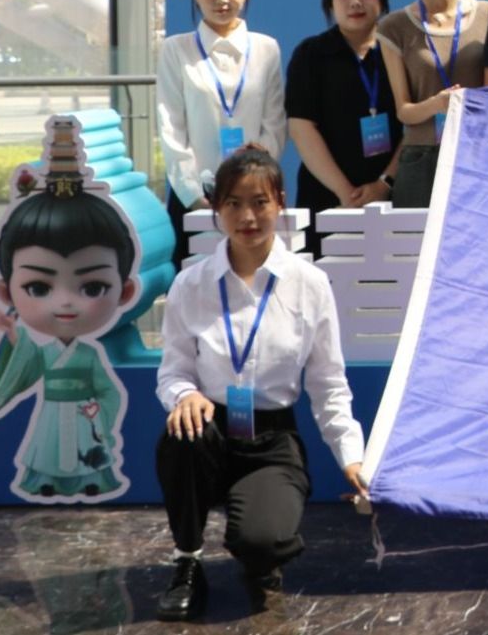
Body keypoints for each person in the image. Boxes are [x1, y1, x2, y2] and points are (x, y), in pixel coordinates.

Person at [153, 149, 366, 620]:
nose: (247, 217)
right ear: (216, 208)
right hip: (209, 429)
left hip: (271, 439)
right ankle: (187, 561)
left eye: (259, 202)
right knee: (181, 436)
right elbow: (173, 371)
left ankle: (259, 558)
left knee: (262, 541)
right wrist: (185, 395)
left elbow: (329, 384)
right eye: (233, 203)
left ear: (280, 203)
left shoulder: (309, 284)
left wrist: (352, 458)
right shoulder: (191, 285)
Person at [0, 120, 141, 503]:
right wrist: (12, 333)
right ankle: (46, 481)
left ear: (125, 291)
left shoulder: (90, 354)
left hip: (83, 413)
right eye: (39, 288)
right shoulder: (44, 350)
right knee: (46, 449)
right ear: (6, 290)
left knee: (87, 451)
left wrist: (100, 413)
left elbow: (109, 392)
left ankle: (90, 480)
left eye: (92, 287)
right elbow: (26, 362)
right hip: (51, 410)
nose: (64, 303)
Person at [158, 0, 287, 270]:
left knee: (255, 285)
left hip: (253, 198)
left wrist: (259, 167)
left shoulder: (266, 48)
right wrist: (194, 197)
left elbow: (274, 122)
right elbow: (171, 126)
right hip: (196, 199)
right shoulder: (176, 49)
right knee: (195, 288)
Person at [286, 0, 403, 239]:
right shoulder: (311, 54)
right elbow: (301, 127)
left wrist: (384, 183)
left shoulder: (399, 52)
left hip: (392, 196)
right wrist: (346, 193)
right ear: (329, 0)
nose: (355, 2)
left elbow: (415, 126)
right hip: (326, 198)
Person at [378, 0, 488, 210]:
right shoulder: (393, 27)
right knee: (416, 240)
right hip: (421, 159)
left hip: (477, 154)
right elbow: (404, 111)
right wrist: (437, 104)